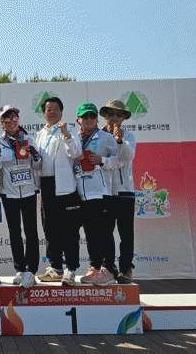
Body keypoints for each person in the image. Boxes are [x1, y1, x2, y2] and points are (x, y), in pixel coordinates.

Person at [0, 105, 41, 288]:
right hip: (9, 193)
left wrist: (35, 156)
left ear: (18, 120)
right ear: (1, 122)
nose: (11, 121)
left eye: (14, 118)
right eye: (7, 118)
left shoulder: (29, 140)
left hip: (28, 191)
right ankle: (20, 269)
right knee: (14, 232)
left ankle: (31, 270)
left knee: (31, 231)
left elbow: (37, 167)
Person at [34, 97, 82, 285]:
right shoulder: (40, 134)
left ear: (61, 112)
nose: (52, 112)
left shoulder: (69, 129)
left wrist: (66, 135)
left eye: (56, 109)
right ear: (43, 113)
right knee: (50, 228)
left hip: (65, 186)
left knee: (69, 230)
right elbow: (38, 161)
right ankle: (56, 267)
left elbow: (76, 153)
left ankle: (71, 269)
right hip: (46, 184)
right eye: (48, 109)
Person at [74, 102, 120, 287]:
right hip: (82, 193)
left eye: (92, 116)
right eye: (85, 117)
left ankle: (108, 269)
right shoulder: (75, 138)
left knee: (104, 232)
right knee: (90, 232)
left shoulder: (106, 137)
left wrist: (102, 160)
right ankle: (94, 266)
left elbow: (119, 161)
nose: (89, 120)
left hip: (101, 192)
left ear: (97, 119)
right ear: (78, 119)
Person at [100, 100, 136, 284]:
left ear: (123, 118)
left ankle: (126, 268)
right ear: (105, 115)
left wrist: (120, 141)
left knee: (126, 234)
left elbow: (128, 156)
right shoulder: (98, 135)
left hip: (124, 192)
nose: (114, 117)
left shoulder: (128, 135)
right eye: (111, 113)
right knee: (105, 233)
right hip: (104, 192)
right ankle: (108, 267)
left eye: (118, 114)